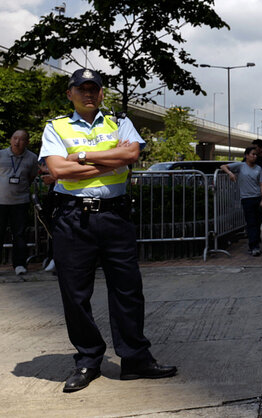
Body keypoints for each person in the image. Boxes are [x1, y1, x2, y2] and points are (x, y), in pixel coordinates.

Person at [39, 68, 176, 393]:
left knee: (128, 290)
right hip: (73, 218)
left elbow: (131, 154)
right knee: (75, 294)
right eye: (81, 89)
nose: (88, 94)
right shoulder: (56, 126)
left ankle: (135, 360)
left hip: (115, 217)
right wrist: (110, 160)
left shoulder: (120, 122)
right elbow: (57, 169)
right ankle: (87, 359)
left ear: (102, 93)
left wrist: (83, 156)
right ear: (70, 93)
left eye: (94, 89)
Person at [0, 130, 39, 275]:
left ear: (27, 142)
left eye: (21, 139)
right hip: (1, 201)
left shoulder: (32, 157)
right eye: (14, 138)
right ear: (10, 139)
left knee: (19, 234)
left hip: (20, 201)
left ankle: (20, 264)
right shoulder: (1, 154)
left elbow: (31, 176)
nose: (17, 142)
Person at [222, 146, 262, 256]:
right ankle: (254, 246)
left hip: (258, 198)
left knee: (257, 223)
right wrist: (230, 173)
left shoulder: (258, 168)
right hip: (246, 199)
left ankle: (255, 243)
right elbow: (223, 166)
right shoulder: (241, 166)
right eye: (252, 154)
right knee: (251, 223)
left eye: (256, 154)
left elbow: (261, 184)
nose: (255, 156)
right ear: (246, 155)